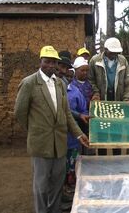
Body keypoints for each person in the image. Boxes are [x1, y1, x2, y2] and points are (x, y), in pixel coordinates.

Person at [14, 45, 89, 213]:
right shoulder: (29, 83)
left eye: (53, 62)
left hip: (60, 143)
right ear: (40, 61)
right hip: (41, 144)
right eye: (46, 61)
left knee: (56, 184)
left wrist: (79, 134)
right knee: (41, 186)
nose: (50, 65)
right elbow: (20, 113)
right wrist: (35, 130)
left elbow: (66, 113)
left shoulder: (60, 84)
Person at [89, 37, 129, 101]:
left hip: (118, 97)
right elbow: (90, 80)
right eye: (112, 52)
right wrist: (96, 92)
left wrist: (127, 98)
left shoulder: (123, 61)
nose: (114, 54)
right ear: (105, 49)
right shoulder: (95, 61)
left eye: (116, 52)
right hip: (101, 98)